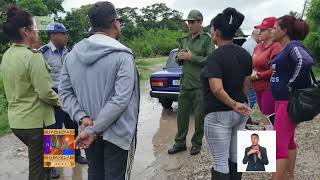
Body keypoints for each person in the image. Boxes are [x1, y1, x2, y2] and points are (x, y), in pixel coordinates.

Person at [58, 1, 139, 180]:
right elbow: (120, 100)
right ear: (115, 22)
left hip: (86, 129)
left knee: (94, 174)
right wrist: (93, 130)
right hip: (116, 133)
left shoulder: (71, 56)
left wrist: (83, 118)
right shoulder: (123, 56)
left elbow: (64, 93)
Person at [1, 5, 59, 180]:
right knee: (39, 170)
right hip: (39, 122)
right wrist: (62, 102)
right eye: (34, 28)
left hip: (19, 121)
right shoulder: (34, 56)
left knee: (55, 162)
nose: (37, 32)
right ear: (25, 31)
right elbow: (45, 93)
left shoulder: (8, 55)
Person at [202, 7, 252, 180]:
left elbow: (216, 89)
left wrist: (232, 104)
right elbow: (246, 83)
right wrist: (239, 103)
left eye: (211, 31)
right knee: (236, 156)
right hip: (240, 113)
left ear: (216, 33)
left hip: (219, 114)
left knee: (220, 162)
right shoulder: (245, 54)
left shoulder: (215, 57)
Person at [270, 15, 313, 180]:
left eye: (275, 28)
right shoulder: (285, 48)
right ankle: (288, 176)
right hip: (281, 102)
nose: (272, 30)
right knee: (288, 142)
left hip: (286, 102)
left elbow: (305, 60)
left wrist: (291, 83)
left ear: (284, 30)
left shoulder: (293, 46)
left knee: (279, 145)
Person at [40, 22, 88, 166]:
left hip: (70, 93)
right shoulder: (43, 53)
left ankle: (75, 155)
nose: (66, 36)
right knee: (55, 127)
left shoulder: (70, 52)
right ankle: (56, 161)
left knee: (73, 124)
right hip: (53, 94)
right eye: (63, 34)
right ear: (53, 36)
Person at [168, 10, 213, 156]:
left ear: (200, 22)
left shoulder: (207, 39)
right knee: (181, 116)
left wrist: (192, 57)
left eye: (193, 22)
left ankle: (196, 143)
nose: (190, 25)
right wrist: (180, 57)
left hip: (199, 85)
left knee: (199, 117)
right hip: (185, 84)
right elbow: (178, 60)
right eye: (188, 22)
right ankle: (180, 143)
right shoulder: (184, 40)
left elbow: (211, 60)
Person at [251, 17, 282, 130]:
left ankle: (271, 144)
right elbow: (253, 65)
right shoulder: (257, 47)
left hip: (269, 87)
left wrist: (258, 75)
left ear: (271, 31)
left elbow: (275, 69)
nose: (259, 32)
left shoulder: (276, 46)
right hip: (257, 87)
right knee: (264, 116)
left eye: (263, 30)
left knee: (267, 118)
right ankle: (270, 142)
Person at [242, 29, 260, 127]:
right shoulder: (254, 46)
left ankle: (247, 119)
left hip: (243, 74)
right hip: (251, 75)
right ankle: (244, 119)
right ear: (256, 35)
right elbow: (255, 62)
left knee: (247, 97)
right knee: (252, 98)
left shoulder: (245, 43)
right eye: (260, 35)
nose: (261, 38)